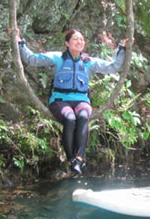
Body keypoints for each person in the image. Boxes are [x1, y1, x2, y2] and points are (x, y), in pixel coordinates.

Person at [16, 28, 130, 175]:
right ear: (67, 43)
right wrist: (19, 42)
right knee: (70, 119)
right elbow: (31, 59)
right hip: (60, 100)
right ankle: (71, 160)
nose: (79, 41)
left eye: (81, 39)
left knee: (83, 117)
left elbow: (113, 67)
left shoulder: (89, 62)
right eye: (75, 39)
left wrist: (122, 48)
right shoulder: (57, 58)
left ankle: (79, 159)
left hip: (82, 100)